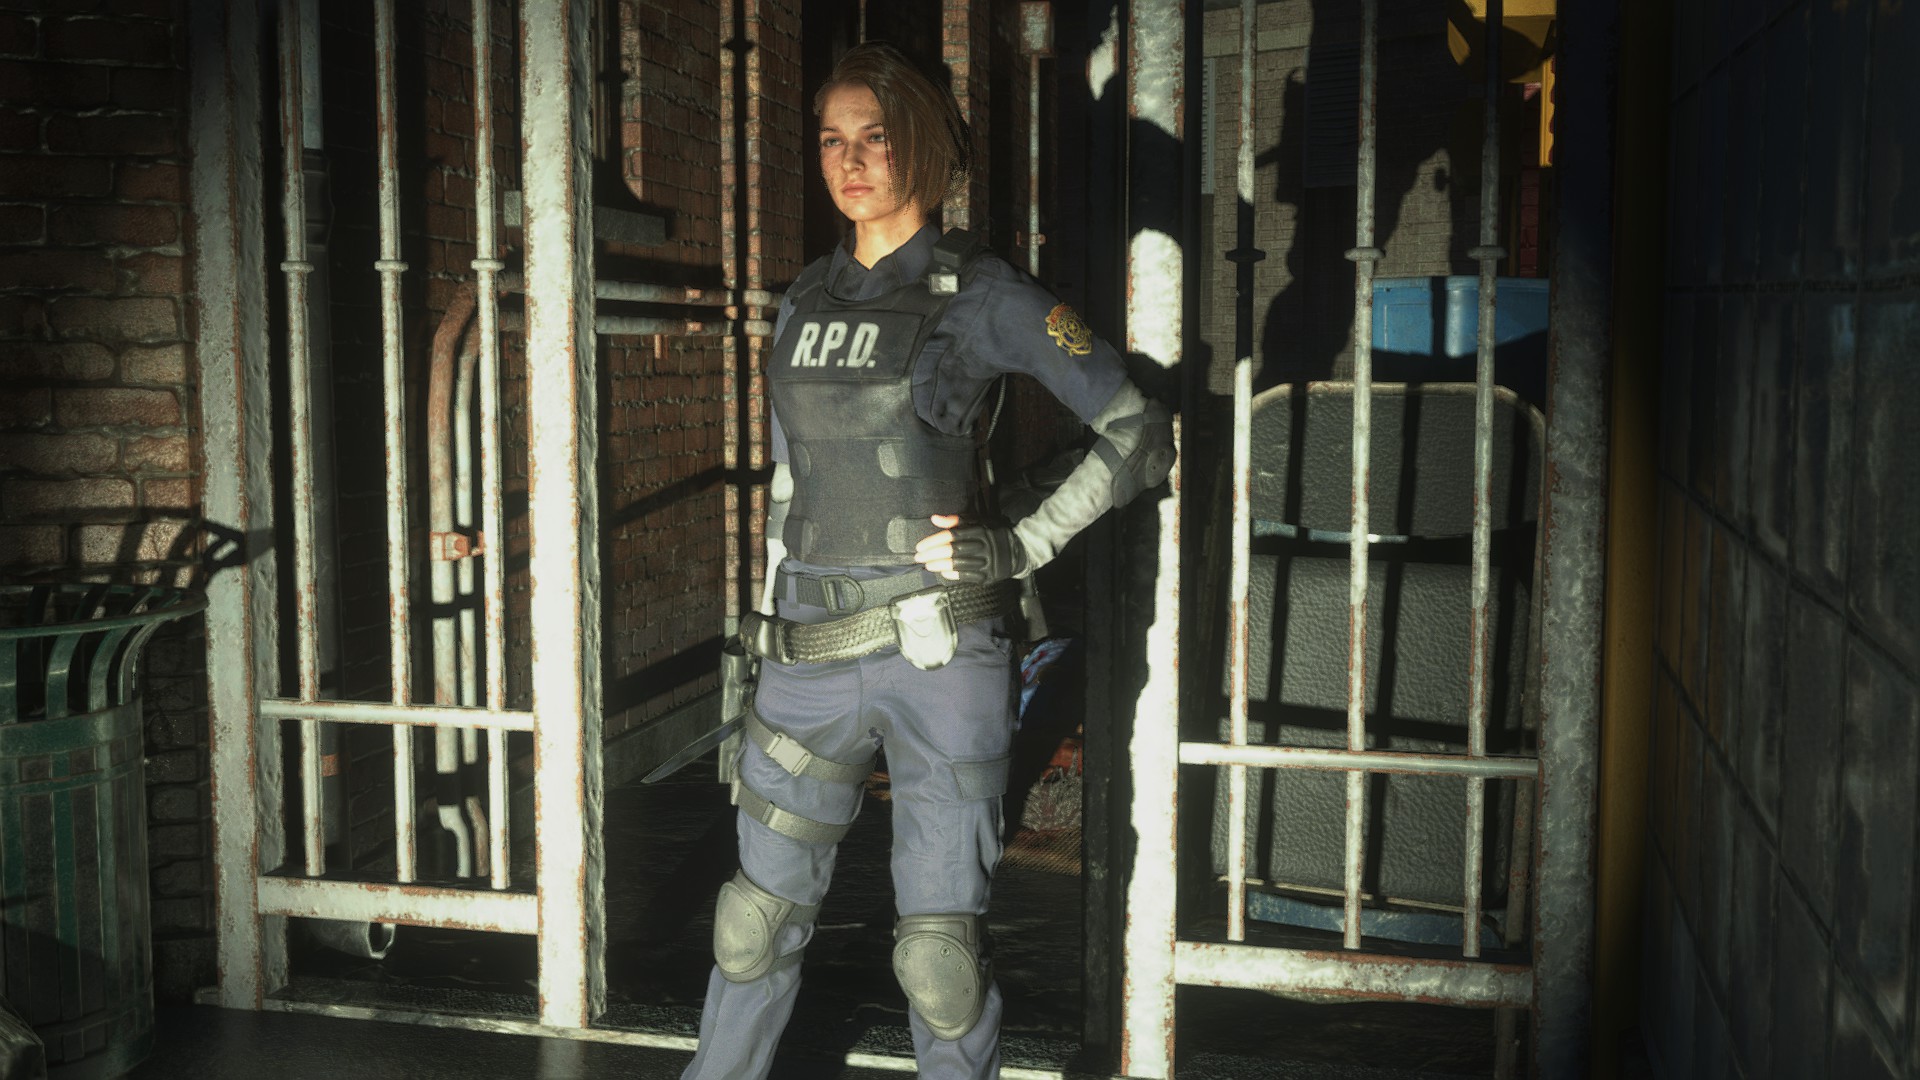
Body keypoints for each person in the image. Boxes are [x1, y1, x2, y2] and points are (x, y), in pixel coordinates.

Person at [682, 41, 1173, 1080]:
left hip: (938, 653)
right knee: (752, 925)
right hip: (806, 649)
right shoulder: (801, 301)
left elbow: (1139, 432)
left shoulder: (983, 293)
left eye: (876, 137)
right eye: (832, 140)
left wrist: (1019, 541)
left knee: (939, 957)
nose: (851, 162)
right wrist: (765, 626)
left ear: (926, 147)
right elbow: (790, 485)